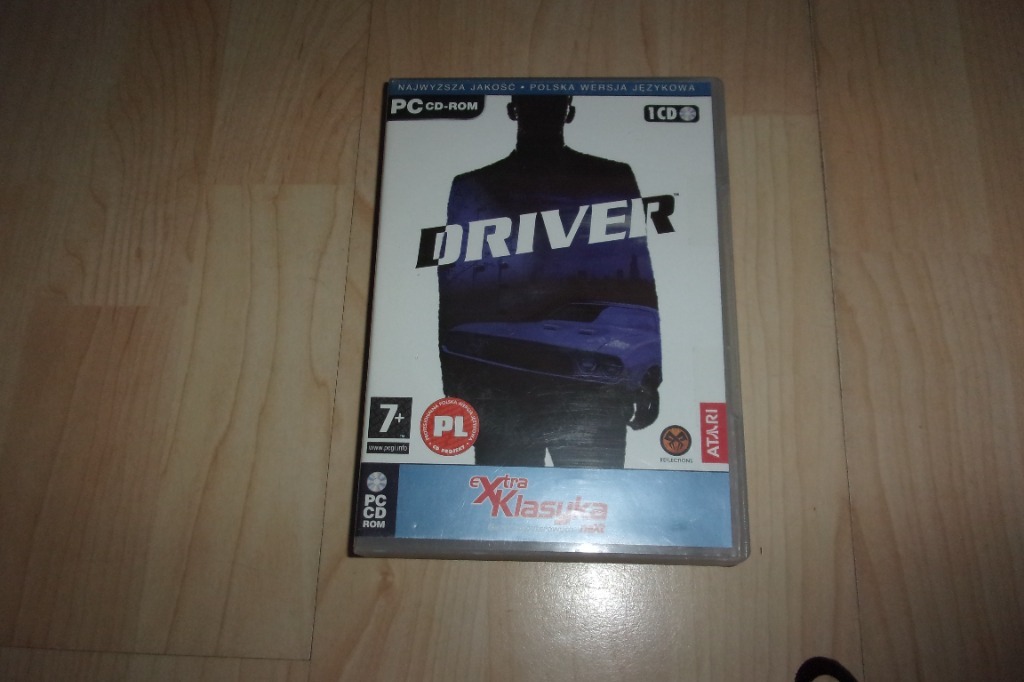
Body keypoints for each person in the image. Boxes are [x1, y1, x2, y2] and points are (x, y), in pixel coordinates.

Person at [437, 94, 661, 468]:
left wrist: (455, 386)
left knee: (514, 496)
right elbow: (638, 273)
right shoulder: (611, 176)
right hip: (558, 382)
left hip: (517, 380)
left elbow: (453, 290)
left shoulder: (474, 184)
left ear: (513, 110)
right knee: (586, 494)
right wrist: (649, 378)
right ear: (569, 112)